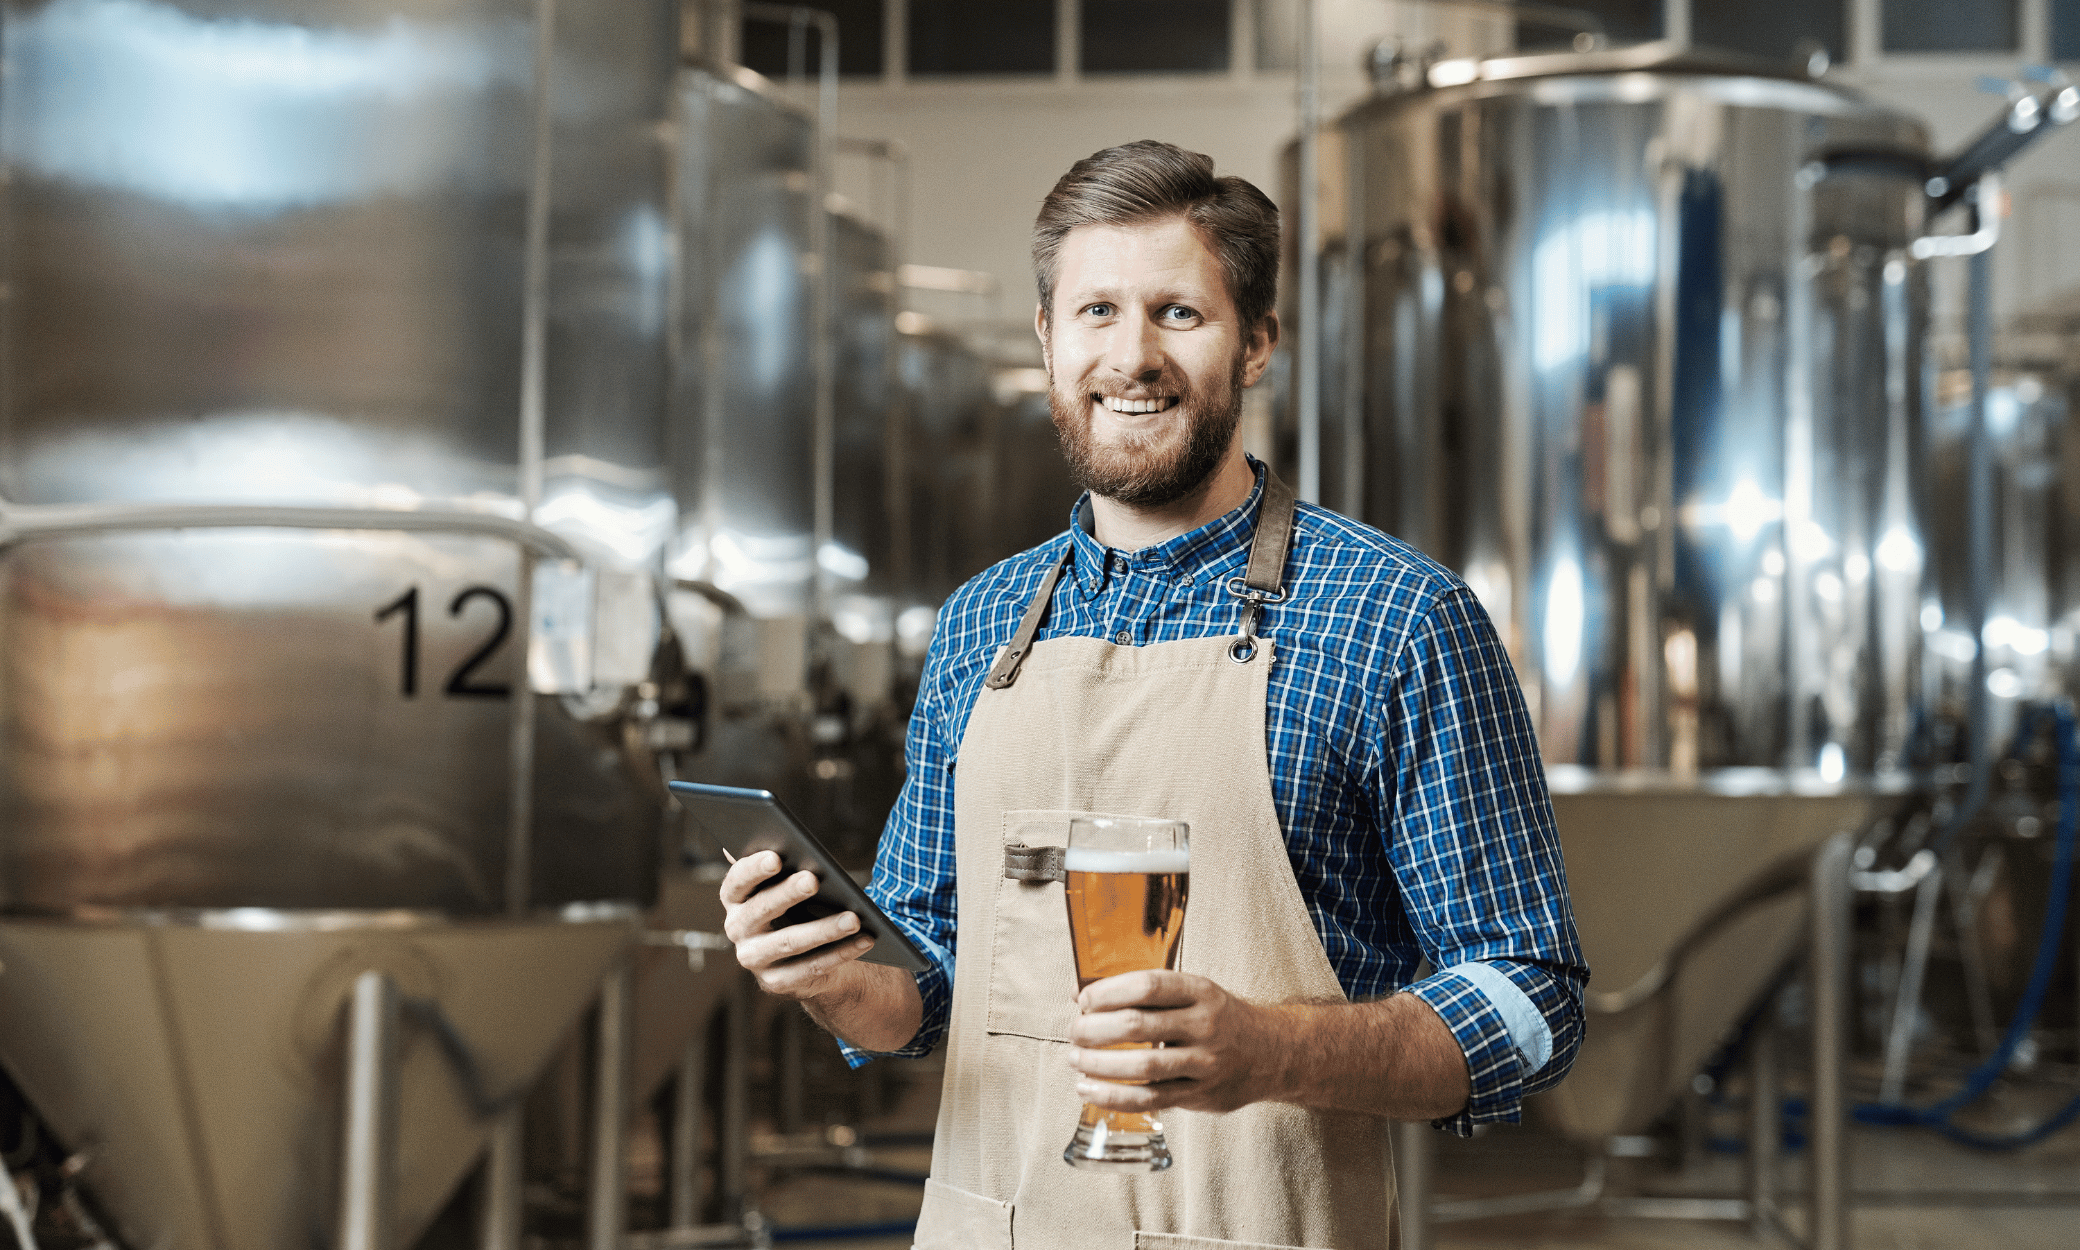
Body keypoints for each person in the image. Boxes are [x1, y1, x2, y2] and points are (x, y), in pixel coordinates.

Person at [720, 140, 1587, 1250]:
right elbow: (928, 979)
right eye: (1094, 312)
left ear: (1258, 343)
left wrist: (1274, 1049)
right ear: (1046, 338)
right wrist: (836, 978)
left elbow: (1534, 1002)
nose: (1130, 357)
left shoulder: (1399, 618)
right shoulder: (981, 623)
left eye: (1178, 313)